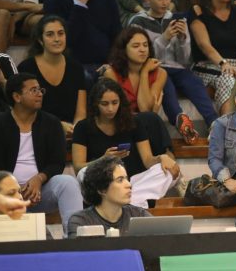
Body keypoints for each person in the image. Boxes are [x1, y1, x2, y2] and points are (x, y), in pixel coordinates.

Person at [0, 73, 83, 235]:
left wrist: (39, 179)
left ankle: (75, 236)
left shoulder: (52, 123)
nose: (40, 94)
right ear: (17, 97)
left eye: (40, 90)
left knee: (68, 183)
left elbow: (57, 163)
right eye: (33, 90)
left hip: (41, 190)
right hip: (6, 194)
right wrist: (15, 190)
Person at [129, 0, 218, 139]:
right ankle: (181, 121)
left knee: (194, 81)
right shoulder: (138, 21)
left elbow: (184, 60)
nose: (164, 3)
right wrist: (165, 38)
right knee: (165, 83)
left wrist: (183, 39)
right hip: (152, 67)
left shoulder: (176, 18)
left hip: (177, 67)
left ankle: (213, 123)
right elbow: (141, 55)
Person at [72, 78, 180, 208]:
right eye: (104, 104)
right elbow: (78, 167)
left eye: (115, 103)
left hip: (131, 183)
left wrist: (161, 158)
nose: (110, 109)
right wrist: (103, 160)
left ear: (120, 102)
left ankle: (125, 201)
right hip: (102, 183)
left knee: (166, 171)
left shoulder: (133, 122)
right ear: (96, 104)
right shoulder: (83, 127)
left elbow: (147, 160)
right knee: (83, 174)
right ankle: (130, 202)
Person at [43, 0, 122, 82]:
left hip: (105, 65)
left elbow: (117, 39)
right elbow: (64, 41)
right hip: (71, 67)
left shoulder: (108, 0)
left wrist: (111, 64)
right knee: (85, 78)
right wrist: (79, 5)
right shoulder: (55, 1)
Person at [17, 15, 87, 135]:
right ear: (40, 40)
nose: (57, 39)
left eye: (61, 33)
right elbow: (26, 111)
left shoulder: (76, 68)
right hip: (37, 132)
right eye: (50, 34)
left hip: (71, 132)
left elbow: (81, 113)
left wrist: (76, 130)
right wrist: (58, 126)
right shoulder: (26, 68)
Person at [68, 155, 152, 238]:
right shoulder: (81, 221)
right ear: (101, 189)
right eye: (120, 180)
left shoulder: (139, 215)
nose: (129, 185)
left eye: (126, 179)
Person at [103, 26, 168, 117]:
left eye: (145, 45)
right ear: (123, 50)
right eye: (136, 46)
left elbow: (145, 109)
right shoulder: (111, 73)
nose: (142, 50)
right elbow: (120, 111)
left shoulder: (160, 73)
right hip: (122, 122)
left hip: (147, 122)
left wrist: (144, 72)